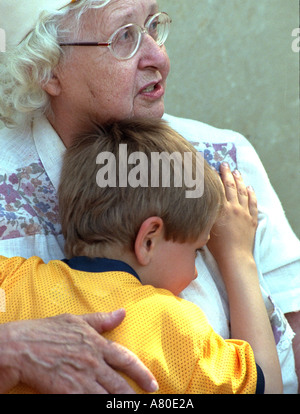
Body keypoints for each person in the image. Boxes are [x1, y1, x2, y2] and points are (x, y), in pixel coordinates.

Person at [0, 0, 299, 394]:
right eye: (125, 37)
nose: (159, 56)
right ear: (47, 69)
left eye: (154, 26)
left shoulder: (223, 160)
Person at [0, 118, 283, 394]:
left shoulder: (13, 280)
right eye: (196, 252)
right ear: (148, 241)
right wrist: (237, 256)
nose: (196, 272)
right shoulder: (173, 329)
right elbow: (267, 386)